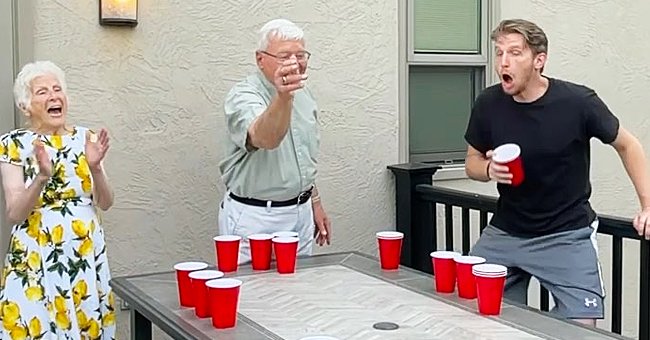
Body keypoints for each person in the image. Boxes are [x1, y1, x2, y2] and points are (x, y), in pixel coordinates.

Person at [464, 19, 650, 326]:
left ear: (539, 60)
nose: (503, 62)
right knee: (470, 310)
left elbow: (628, 145)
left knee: (581, 327)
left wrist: (647, 205)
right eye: (499, 53)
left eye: (514, 52)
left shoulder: (578, 102)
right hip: (506, 232)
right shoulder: (489, 103)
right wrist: (488, 168)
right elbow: (471, 161)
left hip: (566, 234)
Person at [0, 61, 116, 339]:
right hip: (35, 254)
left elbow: (106, 201)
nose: (53, 96)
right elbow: (14, 212)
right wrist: (41, 177)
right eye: (42, 92)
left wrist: (96, 168)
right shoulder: (12, 144)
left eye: (57, 89)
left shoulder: (87, 139)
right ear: (25, 106)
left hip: (83, 252)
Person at [218, 18, 331, 264]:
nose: (294, 62)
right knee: (254, 295)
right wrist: (283, 97)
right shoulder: (244, 95)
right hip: (256, 216)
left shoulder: (304, 94)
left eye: (300, 55)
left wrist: (315, 201)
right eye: (284, 56)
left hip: (299, 212)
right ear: (261, 59)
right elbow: (265, 138)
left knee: (298, 292)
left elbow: (301, 156)